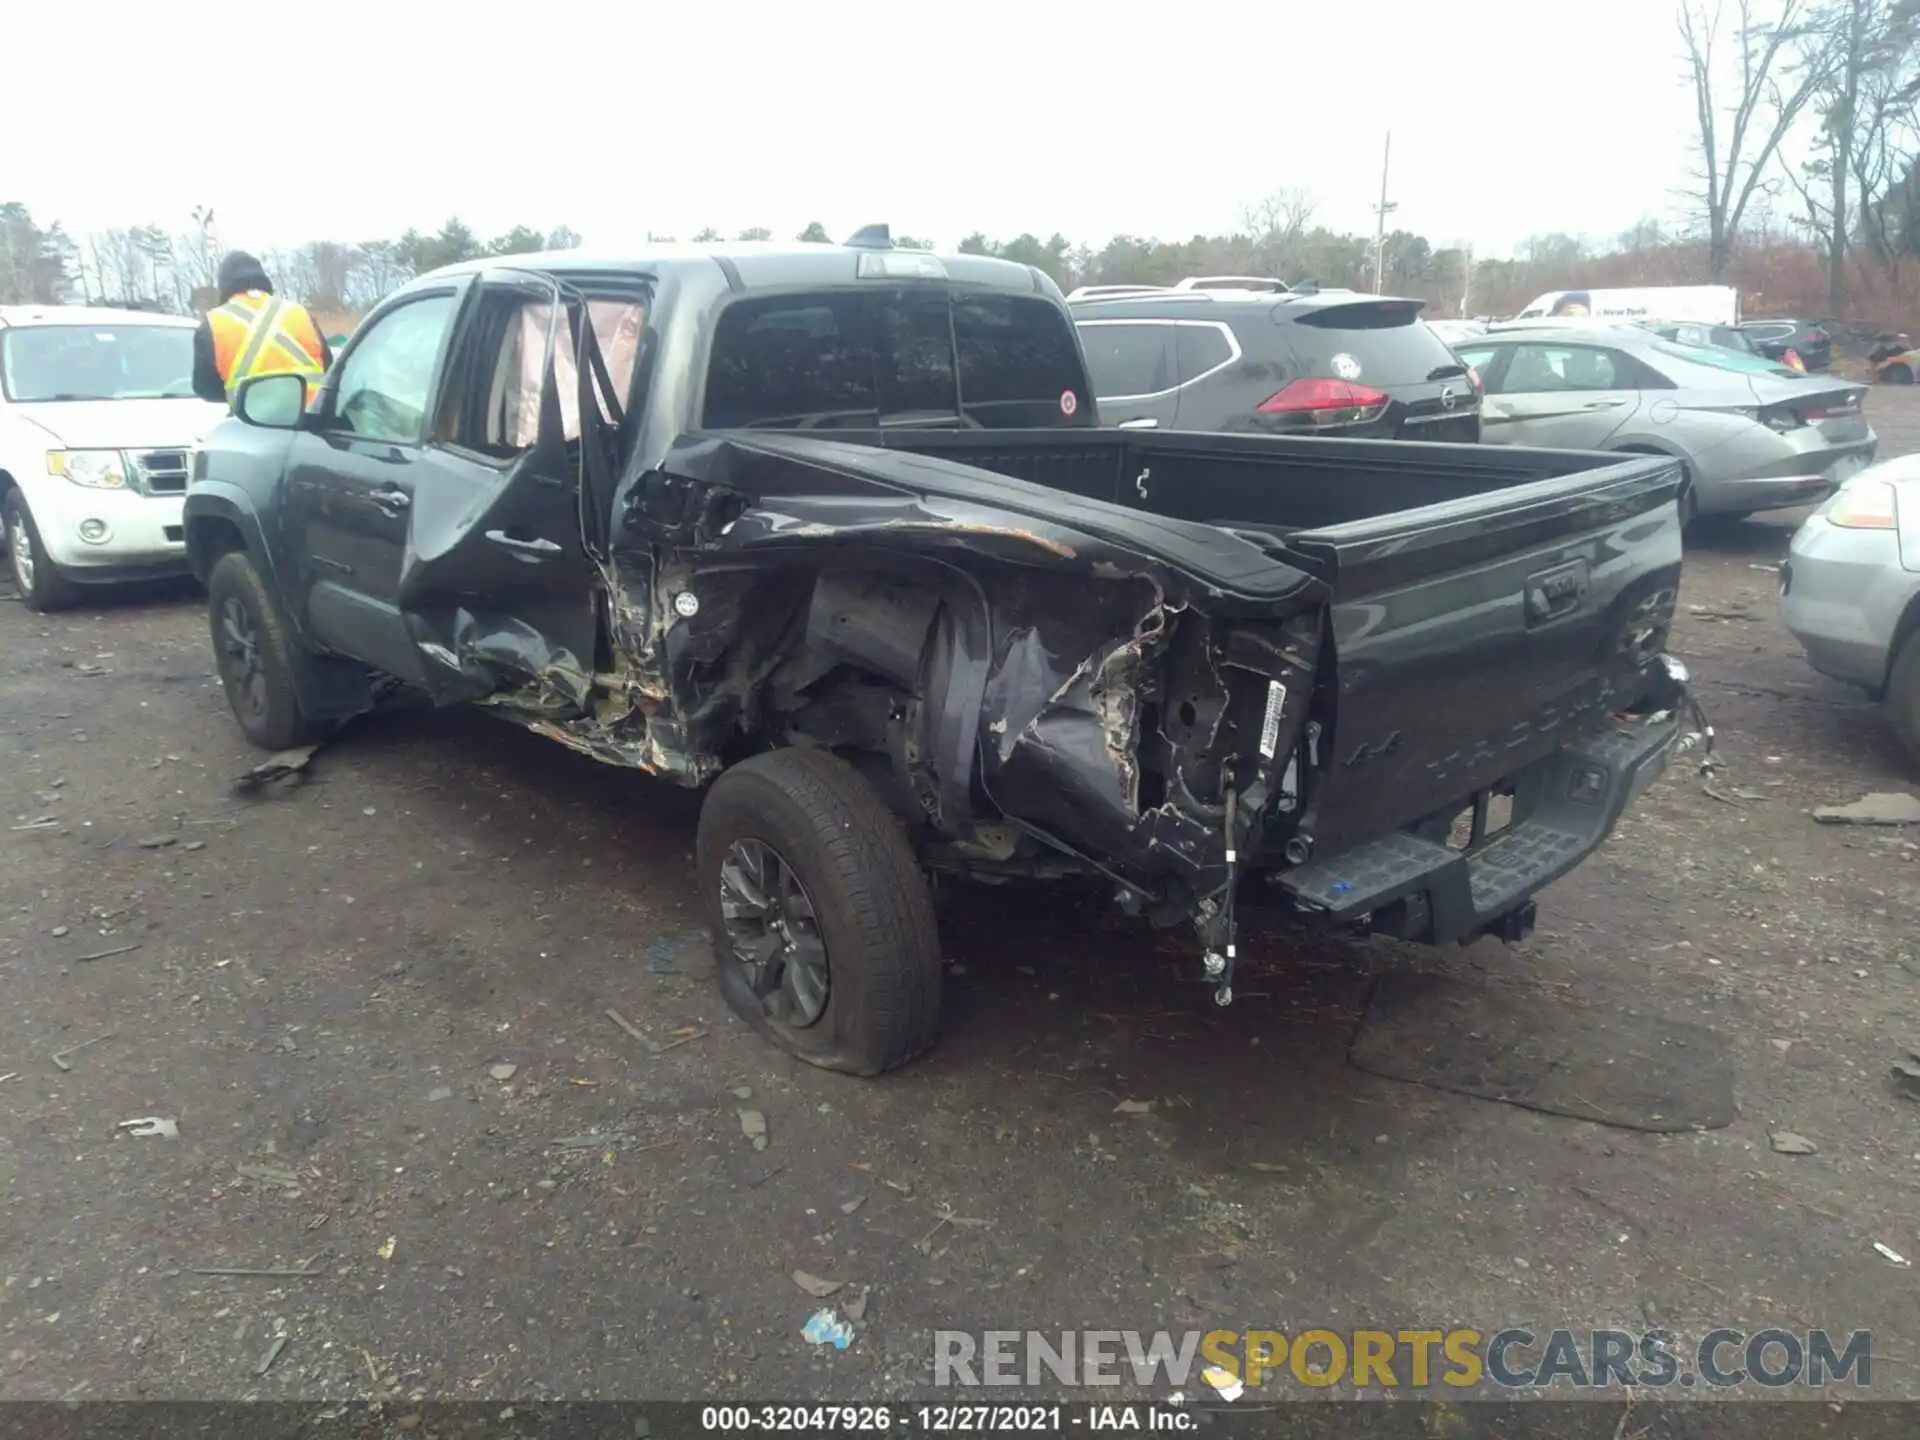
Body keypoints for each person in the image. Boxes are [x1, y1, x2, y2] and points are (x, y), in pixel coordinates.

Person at [191, 251, 332, 407]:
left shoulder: (212, 325)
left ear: (223, 286)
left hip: (254, 423)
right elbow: (329, 369)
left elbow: (206, 389)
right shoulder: (300, 314)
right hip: (313, 422)